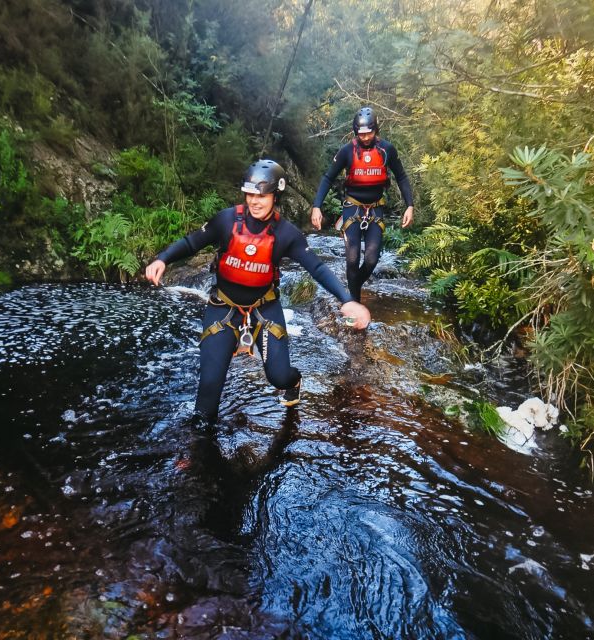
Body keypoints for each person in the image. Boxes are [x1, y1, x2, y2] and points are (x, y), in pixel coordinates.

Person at [145, 159, 370, 422]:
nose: (255, 200)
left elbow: (317, 268)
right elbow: (192, 241)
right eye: (250, 193)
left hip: (265, 308)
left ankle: (293, 382)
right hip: (223, 307)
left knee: (278, 375)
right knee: (209, 388)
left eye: (262, 194)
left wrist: (347, 300)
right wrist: (163, 258)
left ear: (276, 195)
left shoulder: (288, 235)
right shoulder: (226, 220)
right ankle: (200, 451)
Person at [310, 106, 414, 301]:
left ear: (376, 130)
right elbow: (327, 178)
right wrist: (317, 206)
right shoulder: (346, 151)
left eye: (369, 133)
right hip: (352, 207)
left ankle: (353, 286)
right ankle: (354, 303)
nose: (365, 138)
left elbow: (401, 177)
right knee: (352, 259)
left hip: (376, 208)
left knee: (372, 260)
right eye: (361, 134)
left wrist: (409, 205)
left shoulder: (387, 150)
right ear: (355, 131)